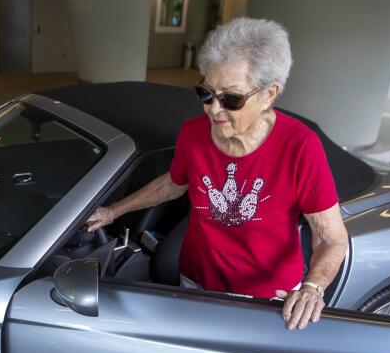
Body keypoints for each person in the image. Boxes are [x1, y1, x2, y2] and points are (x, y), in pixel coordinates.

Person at [85, 17, 348, 331]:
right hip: (196, 282)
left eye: (231, 99)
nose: (213, 109)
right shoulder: (193, 133)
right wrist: (114, 211)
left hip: (266, 300)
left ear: (269, 94)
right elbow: (172, 183)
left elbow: (331, 238)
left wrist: (312, 288)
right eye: (206, 93)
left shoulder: (300, 147)